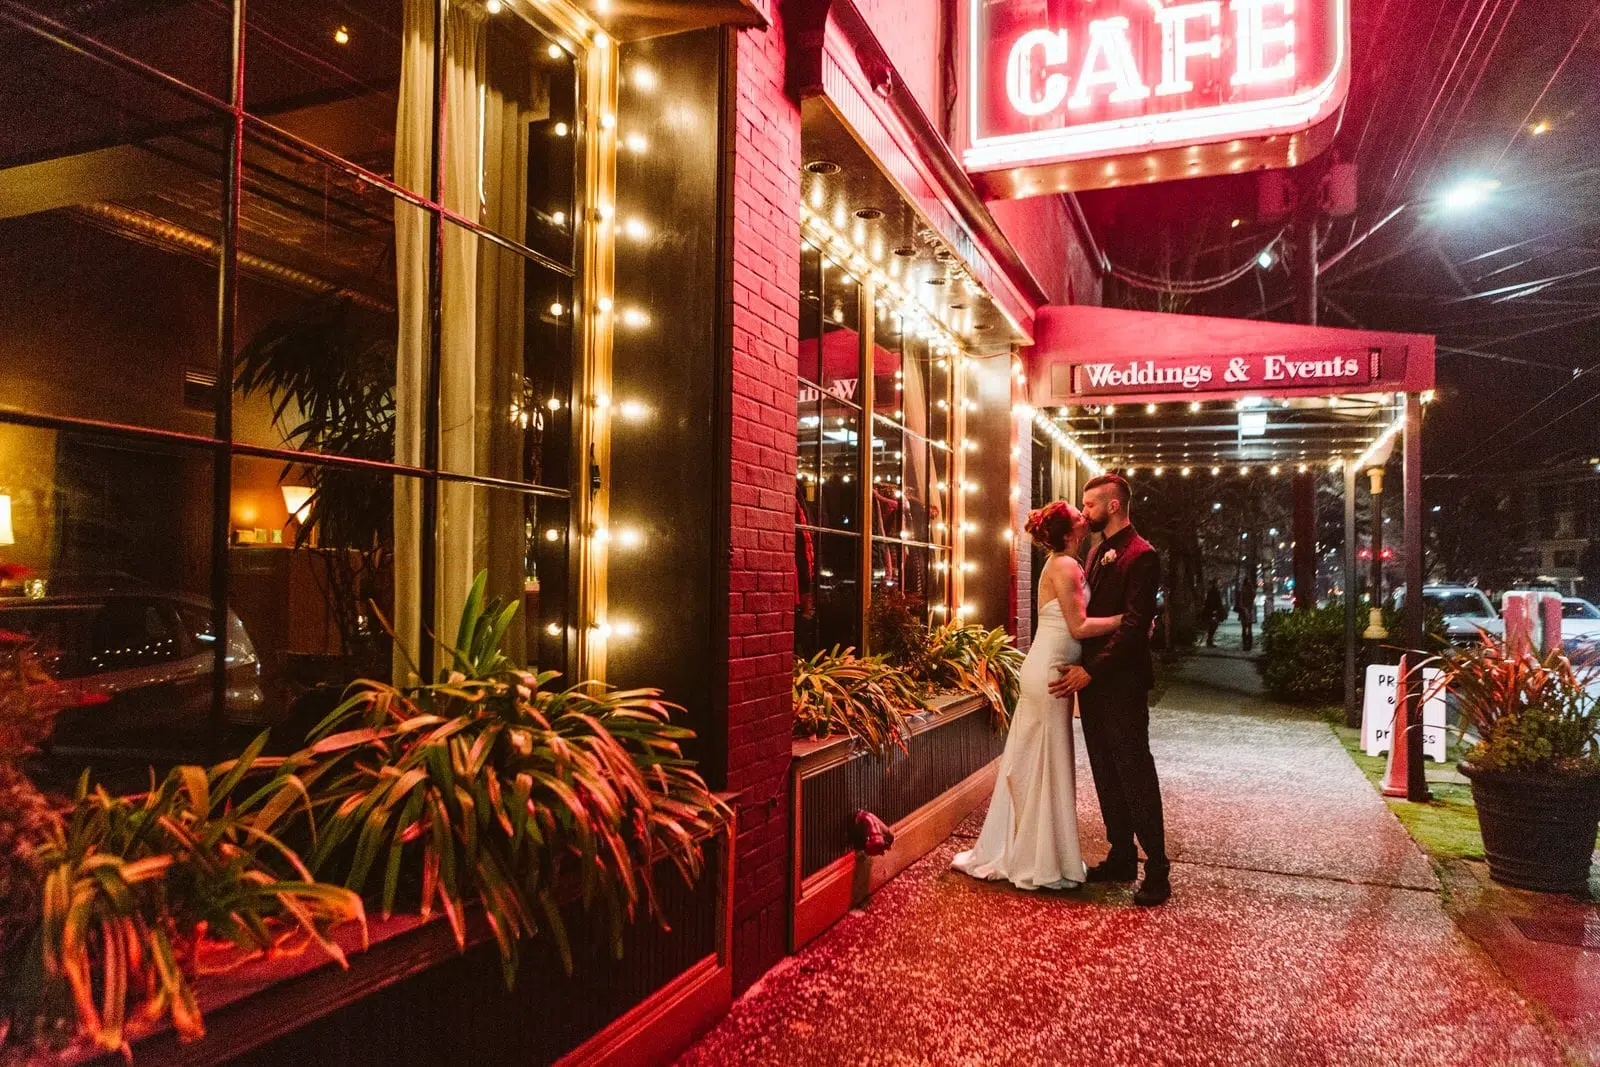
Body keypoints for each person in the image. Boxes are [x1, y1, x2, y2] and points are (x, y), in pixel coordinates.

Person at [951, 501, 1123, 891]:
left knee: (1043, 760)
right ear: (1068, 532)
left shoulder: (1071, 561)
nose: (1085, 513)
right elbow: (1078, 627)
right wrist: (1126, 621)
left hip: (1050, 669)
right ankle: (1035, 857)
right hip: (1050, 673)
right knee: (1043, 760)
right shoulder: (1063, 565)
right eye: (1078, 513)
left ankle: (1040, 851)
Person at [1050, 473, 1171, 907]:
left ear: (1114, 506)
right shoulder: (1099, 551)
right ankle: (1121, 854)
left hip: (1121, 684)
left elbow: (1137, 628)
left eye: (1090, 506)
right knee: (1104, 771)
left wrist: (1091, 672)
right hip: (1095, 686)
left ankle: (1157, 868)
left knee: (1135, 772)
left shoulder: (1143, 556)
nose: (1084, 513)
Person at [1202, 579, 1225, 648]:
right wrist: (1215, 610)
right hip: (1213, 611)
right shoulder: (1214, 592)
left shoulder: (1212, 591)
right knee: (1213, 625)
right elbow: (1214, 602)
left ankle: (1209, 640)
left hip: (1212, 611)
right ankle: (1209, 641)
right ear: (1215, 584)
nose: (1219, 584)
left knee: (1213, 626)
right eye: (1218, 583)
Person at [1235, 581, 1257, 652]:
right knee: (1250, 629)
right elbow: (1253, 599)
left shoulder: (1241, 592)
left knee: (1244, 628)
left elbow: (1240, 602)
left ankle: (1245, 644)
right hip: (1250, 611)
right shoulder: (1252, 592)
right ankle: (1249, 644)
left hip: (1243, 611)